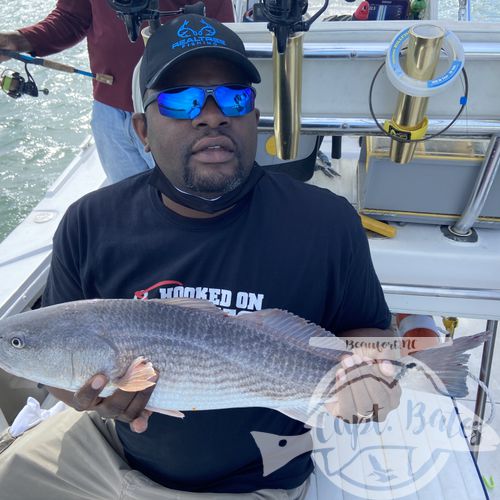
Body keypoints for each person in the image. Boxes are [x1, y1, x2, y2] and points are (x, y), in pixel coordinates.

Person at [0, 14, 401, 499]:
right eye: (182, 99)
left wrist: (373, 379)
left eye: (234, 97)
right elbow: (64, 366)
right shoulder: (90, 220)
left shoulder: (327, 221)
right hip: (110, 448)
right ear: (142, 130)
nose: (211, 114)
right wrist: (91, 400)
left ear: (255, 117)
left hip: (252, 480)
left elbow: (371, 337)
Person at [0, 0, 234, 183]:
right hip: (110, 113)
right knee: (132, 207)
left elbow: (216, 24)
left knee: (190, 208)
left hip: (180, 106)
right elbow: (72, 16)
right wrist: (20, 40)